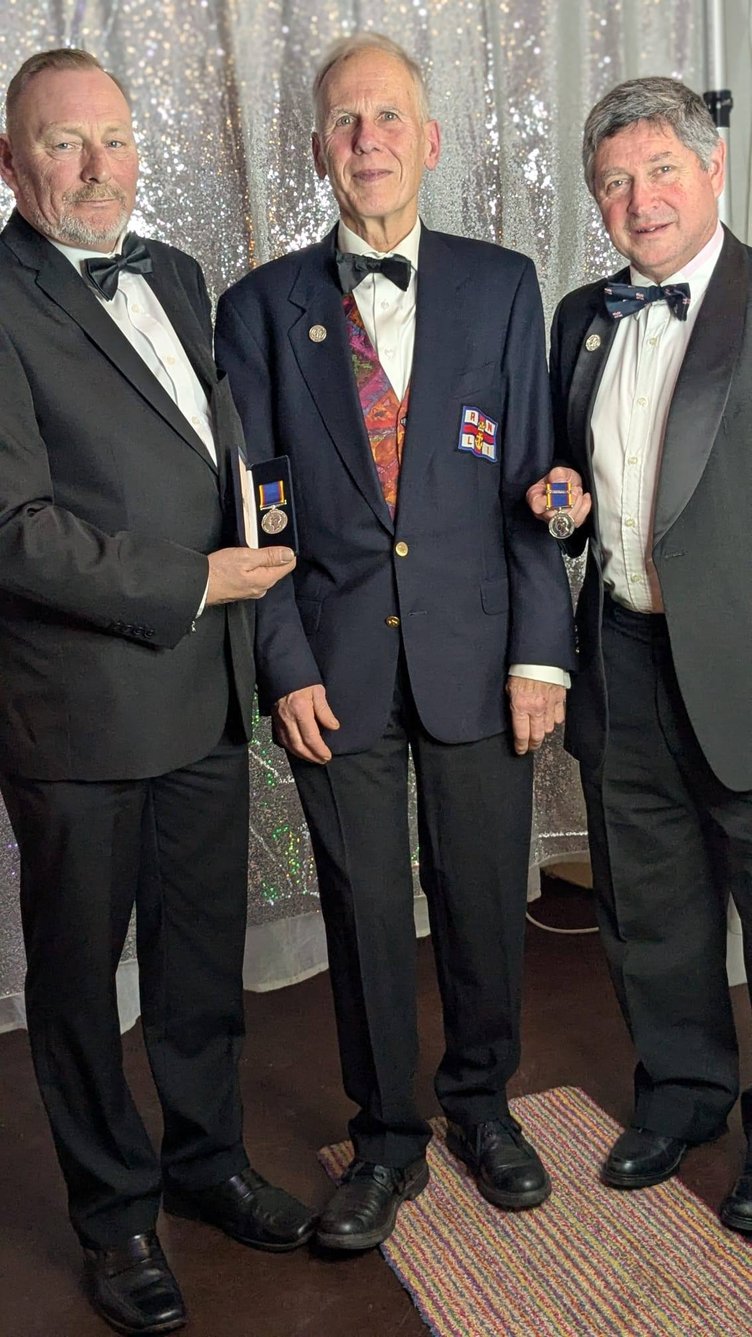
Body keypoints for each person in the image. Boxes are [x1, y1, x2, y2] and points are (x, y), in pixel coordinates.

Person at [216, 32, 575, 1251]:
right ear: (318, 148)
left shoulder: (501, 283)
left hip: (481, 655)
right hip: (335, 663)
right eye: (342, 121)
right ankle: (385, 1140)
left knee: (479, 898)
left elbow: (533, 480)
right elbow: (252, 510)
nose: (366, 139)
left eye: (387, 119)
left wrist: (542, 653)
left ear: (425, 141)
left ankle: (480, 1105)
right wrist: (282, 658)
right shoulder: (257, 308)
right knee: (366, 905)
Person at [0, 48, 314, 1336]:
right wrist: (197, 578)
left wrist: (281, 540)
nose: (98, 169)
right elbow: (15, 527)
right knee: (80, 979)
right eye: (68, 145)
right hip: (78, 708)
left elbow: (221, 450)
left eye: (116, 141)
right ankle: (115, 1212)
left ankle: (205, 1158)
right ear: (11, 162)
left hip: (204, 690)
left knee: (198, 957)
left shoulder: (177, 274)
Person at [529, 75, 752, 1233]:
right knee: (649, 905)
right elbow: (576, 475)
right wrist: (563, 498)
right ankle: (678, 1096)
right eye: (612, 181)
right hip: (620, 647)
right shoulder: (580, 316)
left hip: (746, 666)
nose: (638, 197)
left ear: (711, 170)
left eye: (659, 169)